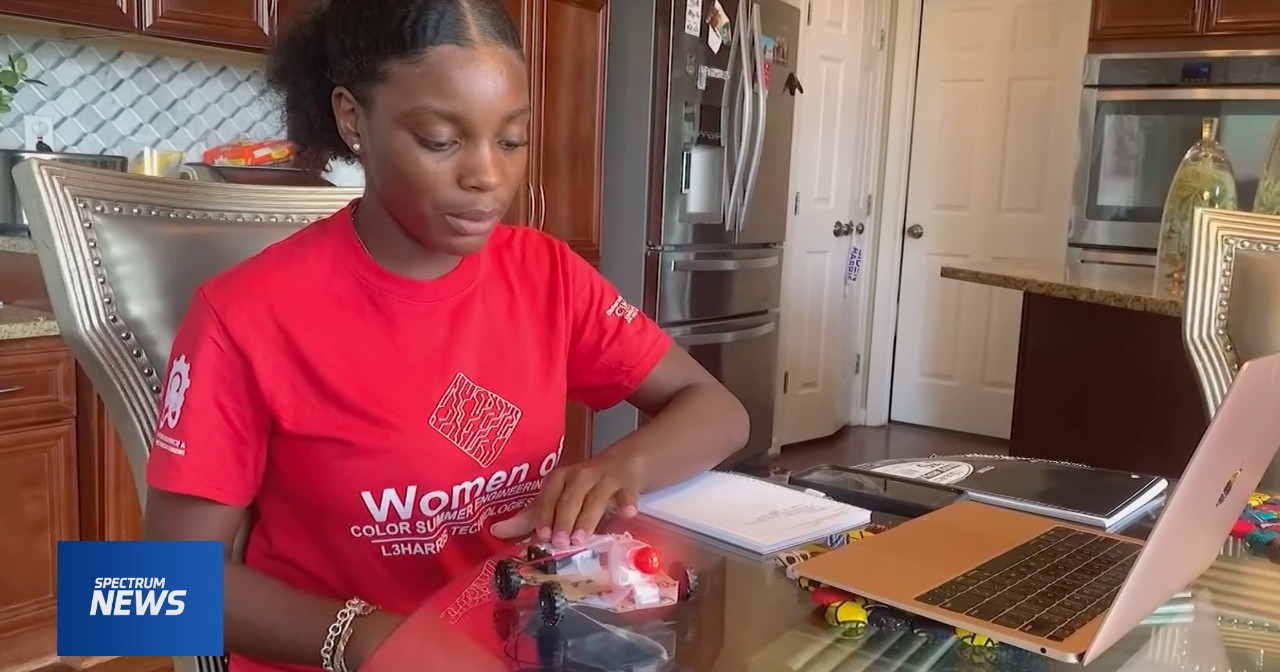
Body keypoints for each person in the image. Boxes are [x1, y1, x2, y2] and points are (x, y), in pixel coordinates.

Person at [141, 0, 749, 671]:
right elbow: (146, 594)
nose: (487, 176)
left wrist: (618, 468)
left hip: (517, 642)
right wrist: (367, 636)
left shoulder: (546, 275)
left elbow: (721, 411)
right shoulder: (245, 316)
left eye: (512, 140)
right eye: (440, 140)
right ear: (353, 120)